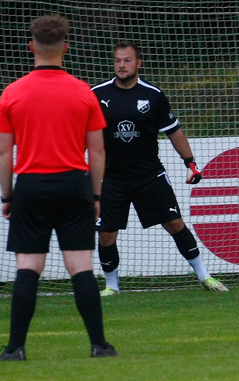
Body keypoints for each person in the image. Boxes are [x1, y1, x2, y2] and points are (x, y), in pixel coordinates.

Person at [0, 13, 116, 360]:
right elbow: (98, 150)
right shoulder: (83, 92)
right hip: (74, 184)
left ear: (32, 46)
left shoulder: (13, 93)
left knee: (28, 267)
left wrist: (8, 195)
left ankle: (16, 348)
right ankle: (99, 345)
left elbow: (4, 152)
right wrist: (95, 194)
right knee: (81, 267)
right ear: (65, 47)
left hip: (30, 186)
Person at [91, 41, 228, 295]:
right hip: (110, 178)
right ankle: (112, 286)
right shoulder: (97, 94)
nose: (122, 65)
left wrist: (190, 163)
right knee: (106, 234)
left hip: (148, 175)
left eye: (127, 60)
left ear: (138, 63)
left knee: (175, 224)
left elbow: (174, 131)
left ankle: (205, 277)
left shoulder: (153, 95)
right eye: (118, 60)